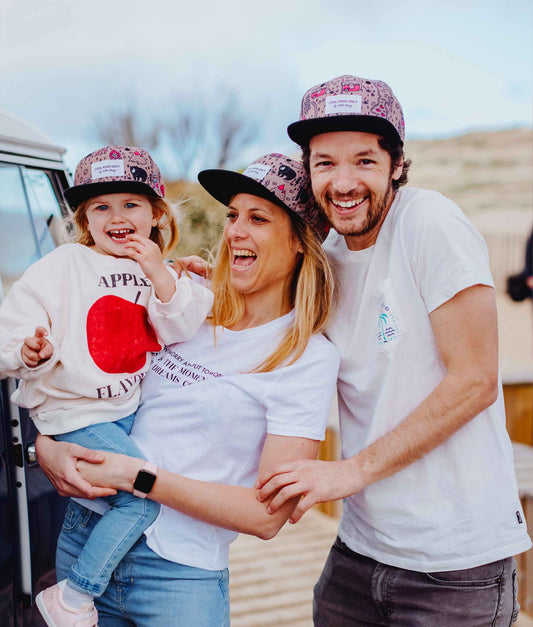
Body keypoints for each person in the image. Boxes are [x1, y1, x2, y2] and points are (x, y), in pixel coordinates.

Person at [256, 75, 532, 626]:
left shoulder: (430, 223)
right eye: (325, 163)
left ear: (397, 164)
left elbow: (475, 381)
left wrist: (349, 472)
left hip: (456, 567)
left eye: (364, 160)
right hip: (358, 555)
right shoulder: (326, 259)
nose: (343, 181)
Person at [35, 153, 340, 626]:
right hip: (84, 537)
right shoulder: (182, 303)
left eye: (258, 218)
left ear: (301, 241)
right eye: (232, 216)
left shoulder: (306, 358)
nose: (235, 231)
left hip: (177, 577)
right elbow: (91, 384)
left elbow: (267, 517)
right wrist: (45, 447)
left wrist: (140, 478)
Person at [0, 145, 214, 626]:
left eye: (130, 204)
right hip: (75, 416)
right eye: (101, 206)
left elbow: (181, 326)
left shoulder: (158, 270)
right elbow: (9, 328)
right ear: (83, 219)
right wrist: (24, 352)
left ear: (156, 213)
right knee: (141, 500)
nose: (116, 217)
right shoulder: (61, 267)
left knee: (113, 504)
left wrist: (161, 270)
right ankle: (73, 596)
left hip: (123, 412)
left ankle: (100, 583)